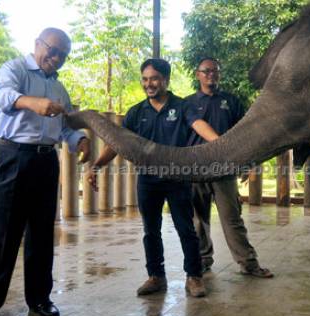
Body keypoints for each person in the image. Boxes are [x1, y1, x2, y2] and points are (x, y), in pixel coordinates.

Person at [0, 28, 91, 316]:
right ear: (37, 44)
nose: (56, 58)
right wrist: (32, 102)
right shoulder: (14, 69)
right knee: (3, 231)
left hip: (45, 160)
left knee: (41, 233)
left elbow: (63, 128)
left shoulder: (59, 88)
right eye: (52, 50)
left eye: (63, 55)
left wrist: (79, 140)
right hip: (10, 156)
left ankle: (39, 298)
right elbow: (4, 97)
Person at [88, 59, 220, 298]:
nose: (149, 84)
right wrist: (96, 165)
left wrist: (220, 144)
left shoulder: (181, 106)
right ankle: (156, 277)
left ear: (166, 81)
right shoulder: (136, 113)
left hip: (177, 178)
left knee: (186, 229)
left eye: (155, 79)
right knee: (151, 230)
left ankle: (194, 277)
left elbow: (199, 124)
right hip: (148, 180)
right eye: (146, 79)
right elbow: (116, 143)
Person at [186, 57, 273, 278]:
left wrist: (246, 162)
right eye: (206, 71)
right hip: (195, 168)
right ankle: (203, 259)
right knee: (198, 219)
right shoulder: (187, 103)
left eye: (215, 71)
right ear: (198, 75)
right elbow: (193, 129)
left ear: (219, 74)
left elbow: (244, 134)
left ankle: (248, 263)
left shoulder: (231, 102)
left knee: (232, 218)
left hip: (224, 169)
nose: (211, 75)